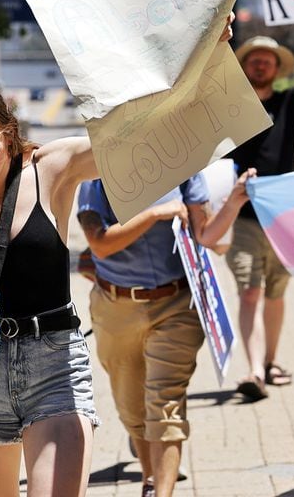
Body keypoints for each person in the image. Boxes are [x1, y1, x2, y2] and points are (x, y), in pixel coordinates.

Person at [0, 18, 235, 496]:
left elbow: (146, 136)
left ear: (9, 135)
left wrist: (204, 62)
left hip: (54, 368)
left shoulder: (54, 167)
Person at [77, 167, 254, 497]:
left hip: (177, 305)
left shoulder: (185, 166)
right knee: (132, 407)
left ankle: (161, 491)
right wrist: (154, 214)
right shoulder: (96, 174)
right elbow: (100, 245)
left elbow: (204, 233)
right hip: (116, 307)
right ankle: (149, 477)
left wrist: (234, 202)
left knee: (166, 404)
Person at [226, 18, 294, 400]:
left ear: (276, 67)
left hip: (284, 221)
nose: (260, 64)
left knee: (274, 294)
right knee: (249, 292)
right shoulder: (231, 108)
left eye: (267, 60)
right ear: (245, 66)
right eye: (253, 59)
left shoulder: (289, 102)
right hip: (242, 218)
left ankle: (270, 362)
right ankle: (254, 371)